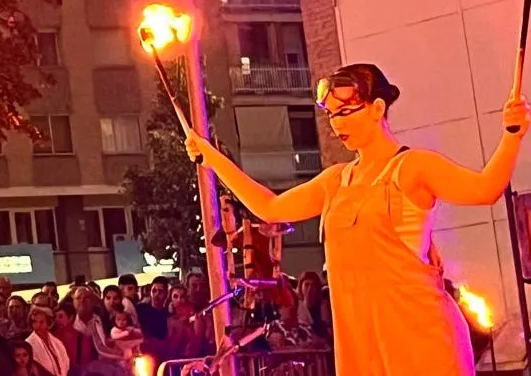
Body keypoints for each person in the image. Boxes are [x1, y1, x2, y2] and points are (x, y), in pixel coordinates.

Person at [187, 62, 526, 376]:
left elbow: (484, 189)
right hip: (360, 341)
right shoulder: (336, 180)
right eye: (332, 114)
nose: (337, 124)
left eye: (346, 111)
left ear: (377, 108)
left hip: (419, 334)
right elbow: (270, 208)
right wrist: (212, 158)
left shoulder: (413, 167)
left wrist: (512, 135)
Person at [22, 306, 68, 376]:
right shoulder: (28, 344)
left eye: (41, 322)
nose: (38, 325)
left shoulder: (57, 342)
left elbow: (65, 363)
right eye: (35, 321)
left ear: (49, 322)